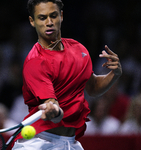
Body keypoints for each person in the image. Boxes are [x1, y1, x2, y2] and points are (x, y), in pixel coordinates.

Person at [12, 0, 122, 149]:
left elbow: (93, 87)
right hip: (40, 143)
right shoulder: (35, 62)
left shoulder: (79, 50)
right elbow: (53, 106)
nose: (49, 22)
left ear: (61, 16)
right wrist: (54, 111)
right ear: (32, 21)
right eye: (42, 17)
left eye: (53, 16)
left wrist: (114, 74)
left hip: (70, 143)